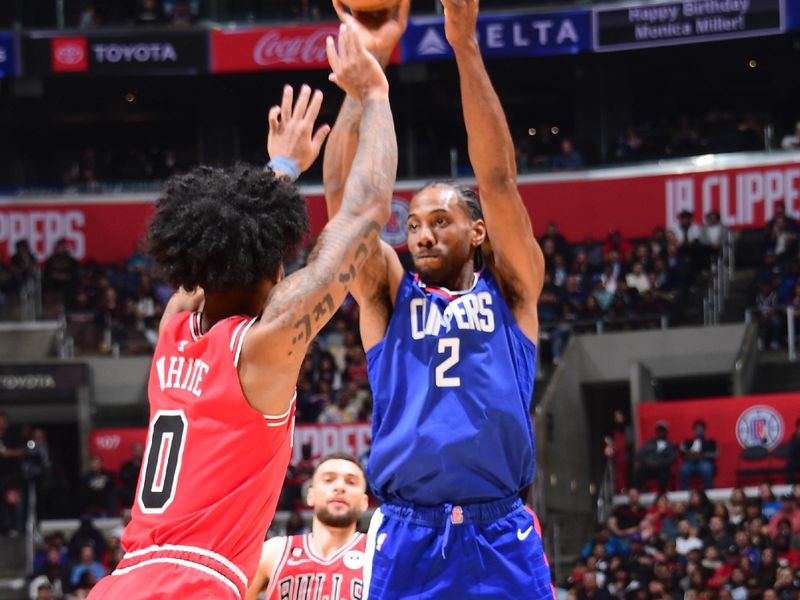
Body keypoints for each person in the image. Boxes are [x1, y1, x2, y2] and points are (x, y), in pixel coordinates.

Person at [88, 24, 397, 600]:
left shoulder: (174, 324)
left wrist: (281, 167)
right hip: (193, 584)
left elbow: (225, 237)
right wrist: (373, 92)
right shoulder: (263, 345)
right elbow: (367, 211)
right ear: (272, 270)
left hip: (122, 580)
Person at [324, 1, 551, 597]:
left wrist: (464, 42)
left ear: (477, 232)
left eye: (441, 220)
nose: (422, 232)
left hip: (500, 527)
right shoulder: (388, 293)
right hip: (406, 534)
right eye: (416, 223)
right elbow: (344, 203)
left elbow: (498, 179)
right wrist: (368, 77)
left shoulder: (513, 289)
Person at [246, 454, 369, 600]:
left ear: (364, 502)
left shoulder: (378, 556)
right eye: (329, 480)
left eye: (351, 482)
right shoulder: (274, 552)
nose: (340, 487)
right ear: (310, 495)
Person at [634, 422, 677, 493]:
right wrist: (646, 461)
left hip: (662, 467)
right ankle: (638, 492)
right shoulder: (650, 443)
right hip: (649, 467)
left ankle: (662, 493)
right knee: (639, 471)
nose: (661, 432)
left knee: (664, 470)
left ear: (666, 431)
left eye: (662, 430)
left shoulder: (671, 444)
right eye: (659, 430)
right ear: (656, 431)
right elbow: (640, 454)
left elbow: (672, 458)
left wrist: (660, 462)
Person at [678, 419, 718, 490]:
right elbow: (682, 451)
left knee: (707, 469)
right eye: (697, 429)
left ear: (704, 430)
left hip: (704, 462)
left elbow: (715, 454)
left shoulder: (710, 442)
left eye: (700, 428)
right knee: (683, 469)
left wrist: (703, 455)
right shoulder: (688, 441)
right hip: (690, 462)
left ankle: (708, 492)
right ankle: (684, 492)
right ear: (694, 430)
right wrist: (691, 454)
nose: (699, 430)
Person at [786, 418, 800, 484]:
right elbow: (791, 451)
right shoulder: (795, 437)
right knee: (789, 466)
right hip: (796, 460)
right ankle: (791, 484)